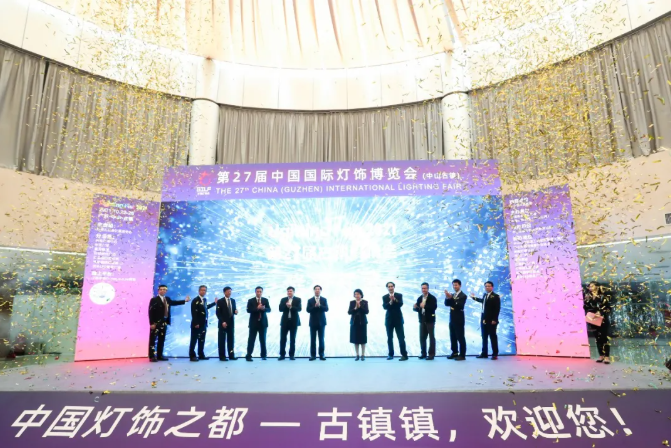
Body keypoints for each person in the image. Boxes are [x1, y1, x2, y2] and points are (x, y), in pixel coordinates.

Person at [148, 284, 190, 362]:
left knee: (161, 339)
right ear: (158, 290)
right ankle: (152, 356)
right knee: (153, 340)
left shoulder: (167, 299)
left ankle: (160, 355)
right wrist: (152, 323)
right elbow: (150, 312)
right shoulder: (154, 299)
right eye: (161, 289)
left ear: (166, 291)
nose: (162, 291)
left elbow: (174, 303)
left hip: (164, 322)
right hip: (156, 323)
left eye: (164, 289)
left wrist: (185, 301)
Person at [470, 281, 500, 360]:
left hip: (491, 320)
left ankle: (495, 354)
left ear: (492, 287)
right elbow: (482, 301)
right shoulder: (485, 295)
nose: (487, 287)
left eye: (489, 286)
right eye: (486, 286)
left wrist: (495, 319)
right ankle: (484, 353)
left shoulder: (496, 296)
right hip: (484, 318)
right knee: (484, 336)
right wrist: (474, 298)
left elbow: (497, 309)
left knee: (493, 337)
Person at [583, 281, 612, 364]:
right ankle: (601, 355)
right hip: (593, 319)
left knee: (604, 337)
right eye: (589, 286)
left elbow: (609, 308)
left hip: (602, 319)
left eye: (592, 286)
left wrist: (601, 312)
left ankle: (607, 356)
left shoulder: (603, 296)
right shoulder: (588, 296)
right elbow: (585, 307)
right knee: (597, 338)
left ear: (597, 286)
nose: (590, 288)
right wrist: (591, 310)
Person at [189, 285, 216, 361]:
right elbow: (194, 312)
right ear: (199, 291)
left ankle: (201, 354)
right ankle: (192, 355)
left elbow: (205, 308)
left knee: (202, 340)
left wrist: (214, 303)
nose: (203, 291)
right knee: (194, 340)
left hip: (203, 324)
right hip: (197, 324)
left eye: (205, 290)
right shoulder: (195, 300)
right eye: (202, 290)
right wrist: (196, 323)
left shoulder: (204, 300)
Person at [383, 282, 408, 361]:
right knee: (389, 338)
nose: (390, 288)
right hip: (389, 320)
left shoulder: (399, 295)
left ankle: (404, 355)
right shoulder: (385, 297)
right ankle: (390, 354)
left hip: (398, 319)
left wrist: (394, 300)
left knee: (401, 338)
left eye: (391, 286)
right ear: (387, 288)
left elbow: (400, 304)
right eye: (389, 286)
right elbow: (385, 307)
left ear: (394, 287)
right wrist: (390, 302)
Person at [246, 286, 271, 361]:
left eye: (260, 291)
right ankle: (249, 355)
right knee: (251, 340)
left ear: (262, 292)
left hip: (263, 323)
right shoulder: (251, 300)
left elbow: (269, 309)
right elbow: (248, 310)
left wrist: (264, 308)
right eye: (257, 291)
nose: (259, 293)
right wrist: (257, 308)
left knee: (263, 340)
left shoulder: (265, 300)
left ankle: (263, 355)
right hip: (253, 323)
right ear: (255, 292)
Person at [444, 279, 467, 360]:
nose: (454, 286)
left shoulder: (463, 295)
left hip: (459, 319)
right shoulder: (453, 295)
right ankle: (454, 352)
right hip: (452, 319)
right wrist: (447, 297)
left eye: (456, 285)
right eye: (453, 285)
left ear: (460, 285)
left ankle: (462, 355)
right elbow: (447, 304)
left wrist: (451, 298)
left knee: (460, 337)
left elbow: (459, 306)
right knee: (452, 336)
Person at [413, 282, 437, 360]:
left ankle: (431, 354)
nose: (423, 290)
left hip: (430, 320)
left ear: (428, 289)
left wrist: (425, 306)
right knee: (422, 338)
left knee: (431, 337)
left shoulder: (432, 298)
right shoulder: (419, 298)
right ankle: (423, 353)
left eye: (425, 288)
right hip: (422, 320)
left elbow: (434, 307)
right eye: (422, 288)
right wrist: (415, 307)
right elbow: (418, 309)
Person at [279, 286, 302, 360]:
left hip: (294, 322)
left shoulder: (298, 299)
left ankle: (291, 355)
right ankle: (282, 355)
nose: (289, 292)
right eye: (288, 291)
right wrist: (286, 306)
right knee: (283, 339)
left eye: (291, 291)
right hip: (284, 322)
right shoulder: (283, 299)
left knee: (292, 339)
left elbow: (299, 309)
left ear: (294, 292)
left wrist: (291, 306)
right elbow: (280, 309)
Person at [307, 285, 329, 361]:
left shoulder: (324, 299)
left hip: (322, 322)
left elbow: (326, 309)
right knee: (312, 339)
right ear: (314, 291)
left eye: (318, 289)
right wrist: (314, 306)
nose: (317, 290)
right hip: (313, 322)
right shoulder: (310, 300)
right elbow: (308, 310)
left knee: (321, 339)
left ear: (320, 291)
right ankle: (313, 355)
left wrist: (320, 306)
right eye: (316, 289)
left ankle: (321, 355)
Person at [216, 286, 238, 361]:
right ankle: (222, 356)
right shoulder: (220, 301)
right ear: (224, 292)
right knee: (222, 340)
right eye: (228, 291)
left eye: (230, 291)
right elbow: (218, 313)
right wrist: (222, 321)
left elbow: (233, 310)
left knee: (231, 340)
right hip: (223, 323)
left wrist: (235, 312)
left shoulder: (233, 300)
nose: (229, 293)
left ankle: (231, 355)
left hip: (231, 323)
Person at [349, 289, 369, 361]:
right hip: (354, 323)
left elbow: (366, 311)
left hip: (362, 323)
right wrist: (355, 308)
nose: (357, 295)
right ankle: (357, 355)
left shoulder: (365, 302)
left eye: (358, 294)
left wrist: (360, 306)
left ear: (361, 295)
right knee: (355, 339)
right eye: (355, 294)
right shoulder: (352, 302)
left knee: (363, 339)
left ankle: (363, 355)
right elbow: (349, 312)